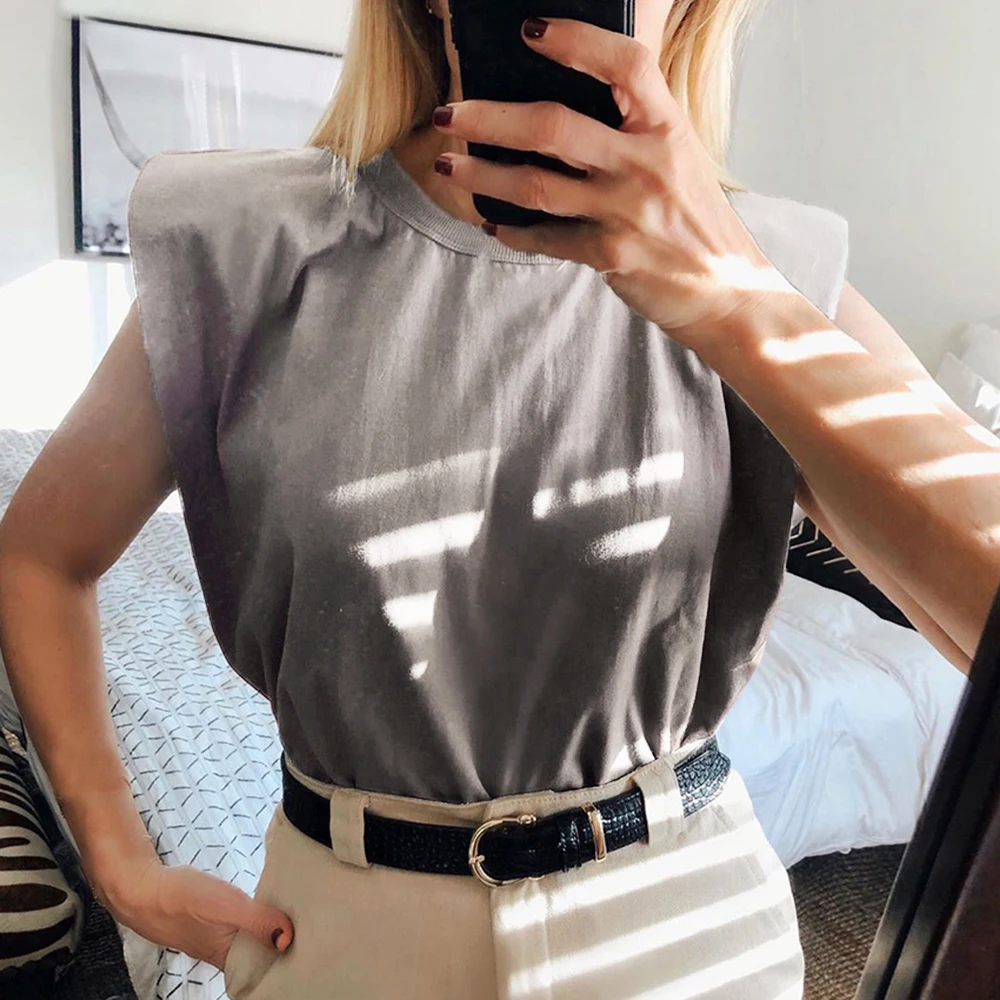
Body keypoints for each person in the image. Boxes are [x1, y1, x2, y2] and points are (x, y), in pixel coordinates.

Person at [1, 0, 997, 997]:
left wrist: (733, 298)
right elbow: (39, 554)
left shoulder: (775, 274)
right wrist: (119, 863)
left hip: (685, 938)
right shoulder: (242, 248)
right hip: (346, 938)